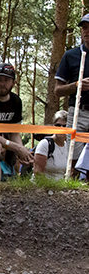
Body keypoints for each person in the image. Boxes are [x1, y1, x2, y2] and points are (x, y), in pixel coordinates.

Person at [54, 13, 89, 163]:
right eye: (84, 28)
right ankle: (71, 187)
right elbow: (57, 90)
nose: (87, 31)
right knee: (73, 159)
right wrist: (76, 85)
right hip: (78, 112)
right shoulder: (71, 55)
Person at [33, 110, 71, 180]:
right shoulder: (44, 144)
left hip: (61, 188)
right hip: (44, 187)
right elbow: (38, 172)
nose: (61, 128)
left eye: (65, 126)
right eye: (58, 125)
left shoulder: (69, 147)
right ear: (53, 126)